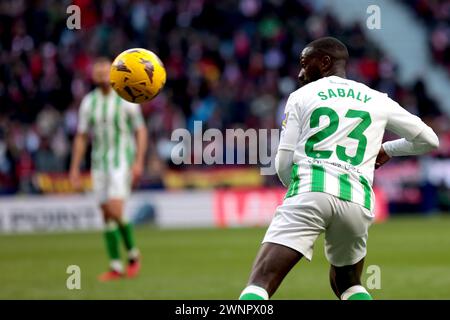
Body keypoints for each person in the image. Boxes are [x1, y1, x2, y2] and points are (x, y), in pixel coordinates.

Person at [239, 37, 439, 300]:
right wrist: (388, 149)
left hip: (311, 189)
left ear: (324, 62)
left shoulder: (302, 96)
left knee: (261, 281)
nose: (300, 73)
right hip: (357, 201)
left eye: (304, 64)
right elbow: (429, 140)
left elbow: (283, 162)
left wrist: (299, 192)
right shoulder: (378, 99)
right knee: (348, 284)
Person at [69, 57, 148, 281]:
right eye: (98, 70)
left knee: (114, 209)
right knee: (106, 214)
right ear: (93, 75)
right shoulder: (88, 102)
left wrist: (139, 161)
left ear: (114, 72)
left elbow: (141, 131)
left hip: (121, 162)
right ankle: (116, 265)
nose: (102, 73)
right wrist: (74, 168)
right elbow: (82, 137)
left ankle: (133, 255)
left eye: (106, 69)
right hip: (98, 164)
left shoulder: (126, 97)